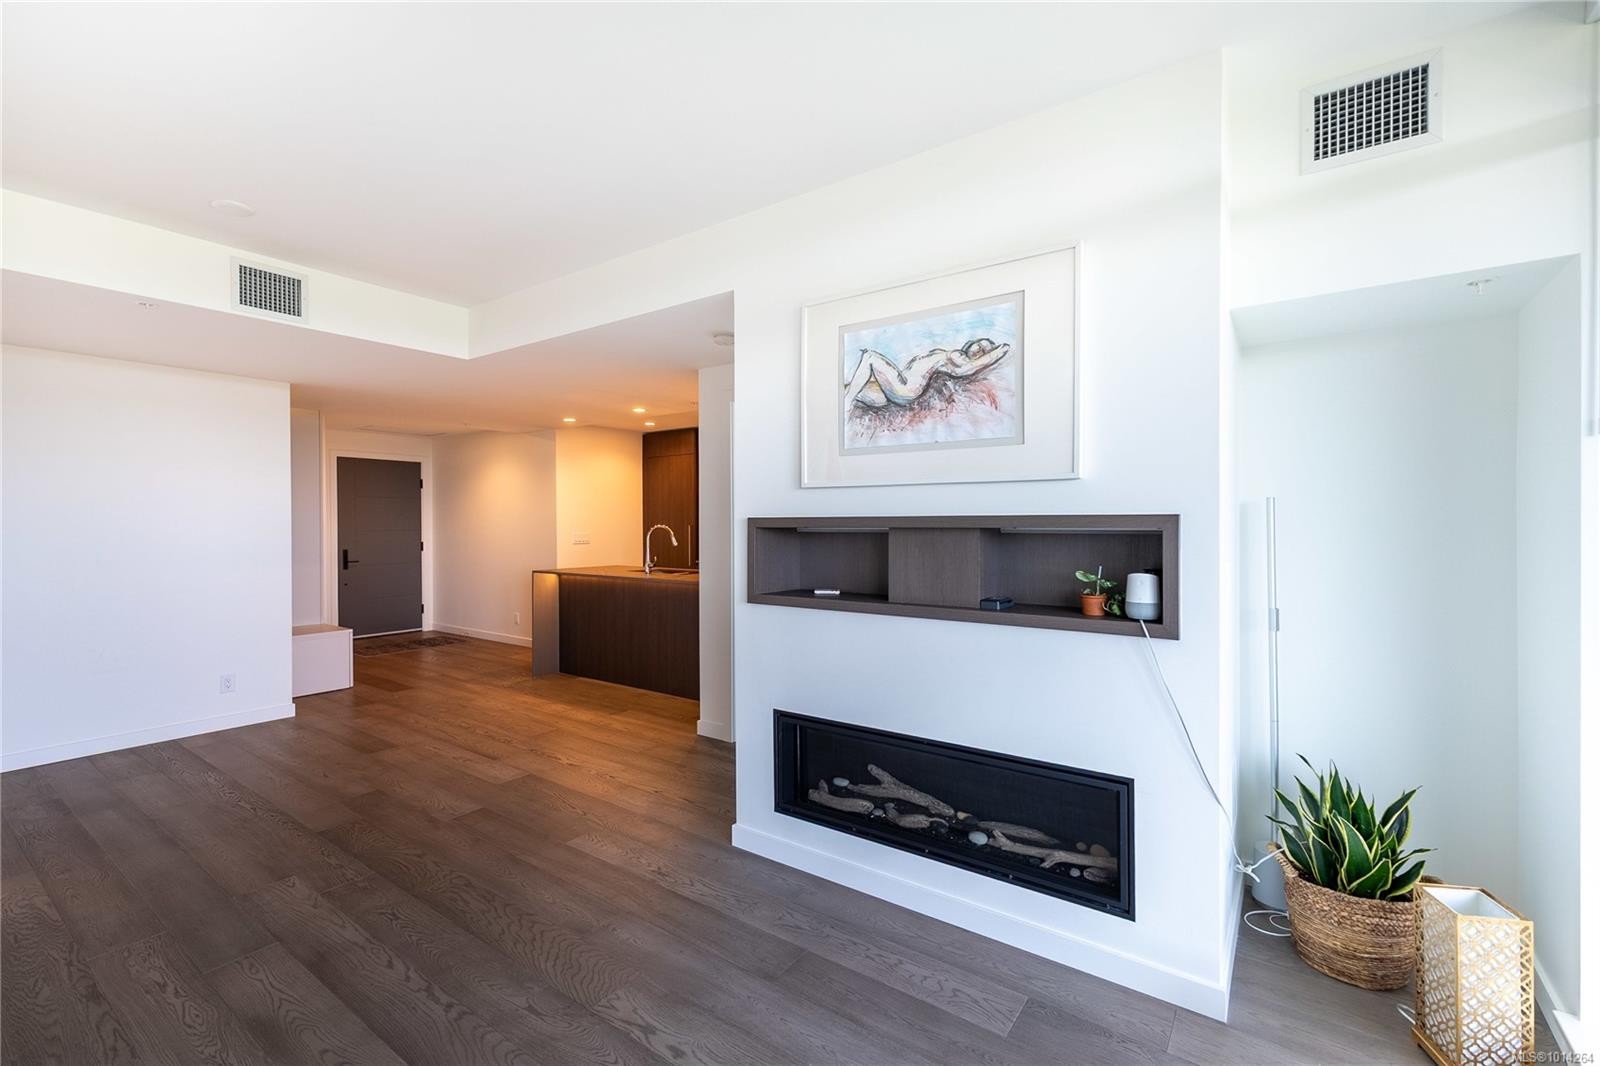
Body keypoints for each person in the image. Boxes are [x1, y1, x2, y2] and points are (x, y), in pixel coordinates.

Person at [843, 337, 1010, 410]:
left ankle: (846, 403)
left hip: (905, 388)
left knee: (870, 357)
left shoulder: (960, 361)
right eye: (980, 345)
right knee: (850, 388)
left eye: (983, 351)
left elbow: (971, 367)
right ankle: (846, 399)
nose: (979, 350)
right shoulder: (955, 355)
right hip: (896, 388)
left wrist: (997, 352)